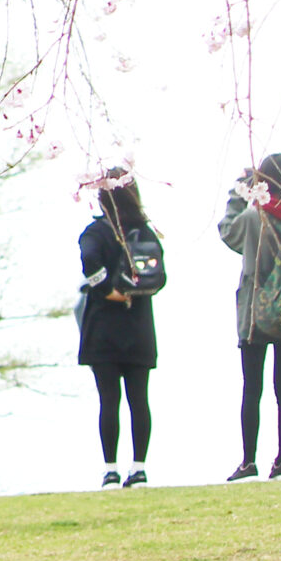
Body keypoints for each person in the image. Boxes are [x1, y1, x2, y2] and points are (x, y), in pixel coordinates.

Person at [220, 152, 281, 480]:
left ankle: (249, 462)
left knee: (253, 387)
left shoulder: (255, 218)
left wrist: (239, 192)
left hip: (257, 314)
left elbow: (227, 232)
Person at [77, 170, 161, 488]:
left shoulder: (96, 232)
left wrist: (106, 290)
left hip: (102, 329)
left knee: (108, 400)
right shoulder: (144, 231)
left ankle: (110, 469)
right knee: (139, 398)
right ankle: (139, 468)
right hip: (139, 325)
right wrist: (135, 291)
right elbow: (158, 274)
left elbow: (88, 260)